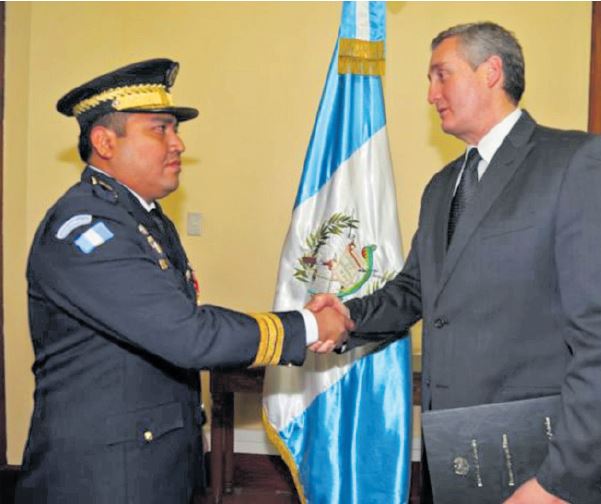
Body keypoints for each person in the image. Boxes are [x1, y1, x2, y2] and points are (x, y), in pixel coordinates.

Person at [308, 22, 601, 504]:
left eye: (441, 75)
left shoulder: (576, 162)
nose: (430, 94)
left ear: (491, 71)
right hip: (455, 454)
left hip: (543, 460)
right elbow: (414, 291)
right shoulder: (442, 186)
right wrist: (348, 318)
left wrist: (562, 479)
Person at [14, 58, 351, 503]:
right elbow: (188, 335)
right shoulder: (87, 230)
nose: (178, 144)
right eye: (159, 129)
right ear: (104, 142)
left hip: (151, 461)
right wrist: (306, 326)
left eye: (175, 129)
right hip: (103, 477)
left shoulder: (141, 219)